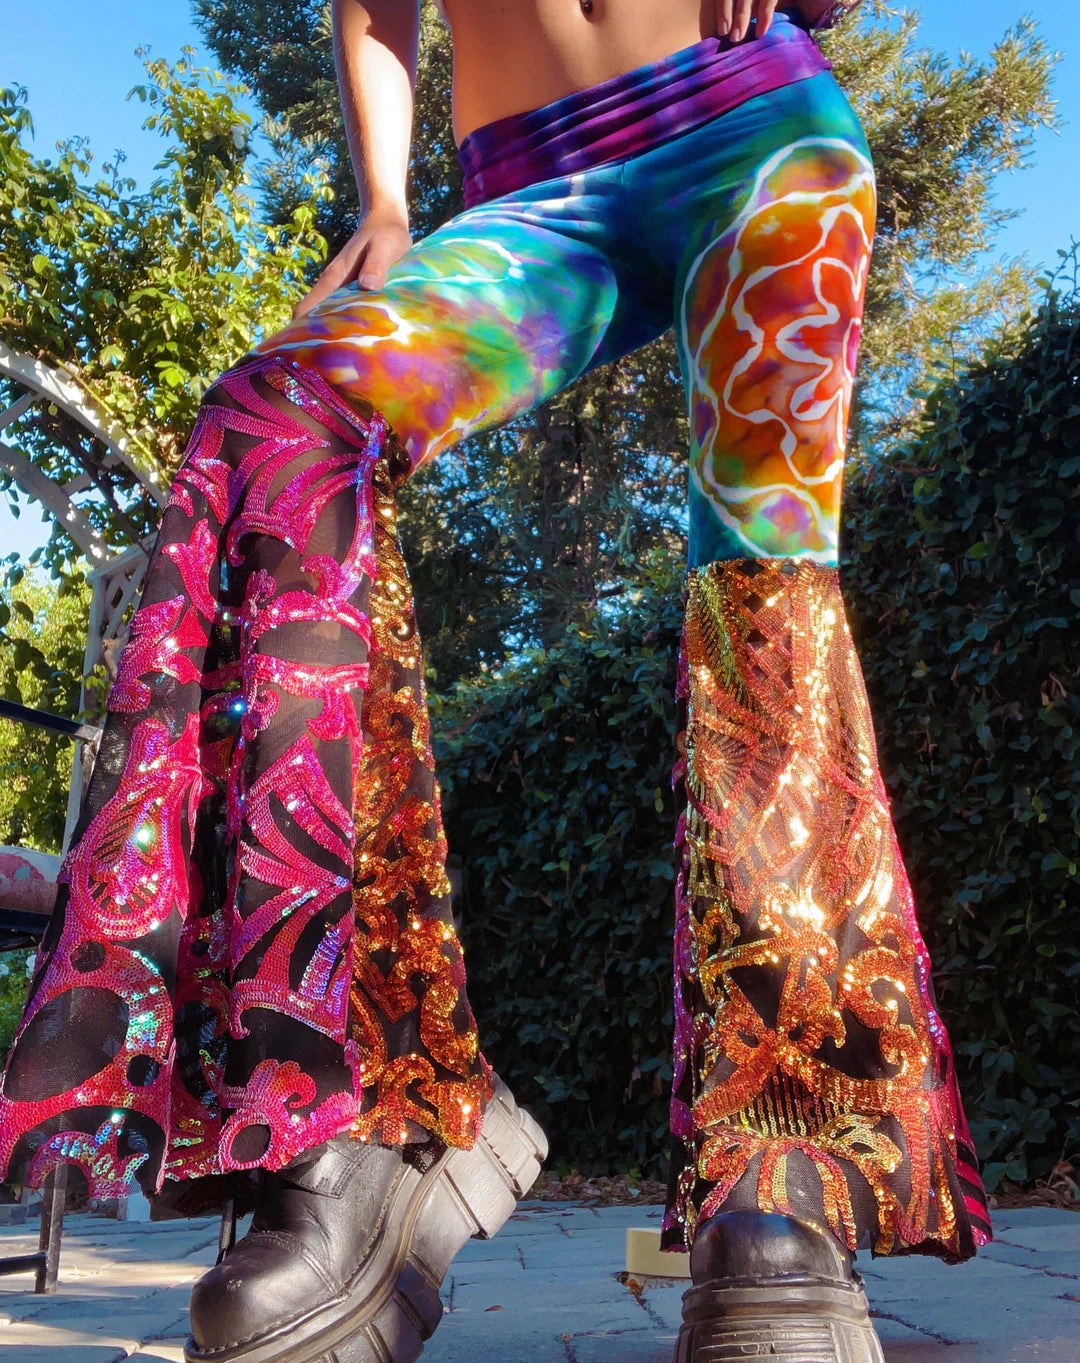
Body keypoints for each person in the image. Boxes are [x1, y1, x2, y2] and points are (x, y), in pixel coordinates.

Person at [0, 3, 992, 1362]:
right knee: (276, 423)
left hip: (756, 126)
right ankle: (362, 1108)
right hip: (533, 190)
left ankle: (784, 1163)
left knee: (764, 591)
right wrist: (386, 201)